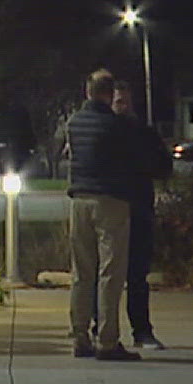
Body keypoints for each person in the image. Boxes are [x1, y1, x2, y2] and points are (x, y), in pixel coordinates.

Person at [65, 69, 143, 361]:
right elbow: (130, 160)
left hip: (79, 199)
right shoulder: (116, 125)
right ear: (109, 94)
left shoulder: (74, 122)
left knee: (81, 272)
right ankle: (108, 340)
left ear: (88, 91)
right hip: (110, 200)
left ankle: (79, 335)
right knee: (110, 272)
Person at [113, 81, 174, 349]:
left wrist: (143, 164)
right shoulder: (105, 132)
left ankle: (142, 330)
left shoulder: (144, 134)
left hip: (139, 209)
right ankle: (100, 328)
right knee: (106, 274)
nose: (122, 107)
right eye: (117, 102)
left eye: (126, 102)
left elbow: (164, 166)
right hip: (111, 209)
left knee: (137, 275)